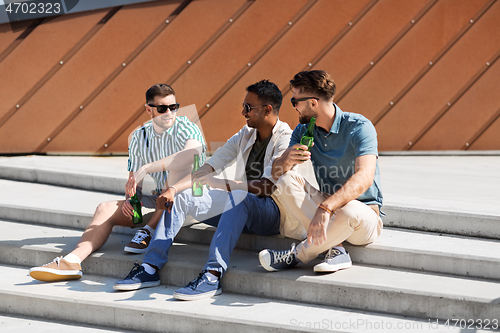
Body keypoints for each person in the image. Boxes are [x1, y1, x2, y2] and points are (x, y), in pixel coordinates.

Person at [113, 80, 299, 300]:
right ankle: (150, 267)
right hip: (237, 208)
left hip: (271, 213)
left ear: (268, 109)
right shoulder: (246, 134)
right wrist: (173, 189)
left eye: (248, 107)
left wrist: (219, 183)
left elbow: (266, 188)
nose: (243, 112)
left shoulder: (286, 139)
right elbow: (208, 168)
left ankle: (212, 275)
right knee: (184, 195)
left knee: (239, 195)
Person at [29, 84, 206, 282]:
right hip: (162, 204)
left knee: (177, 169)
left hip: (193, 199)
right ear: (149, 109)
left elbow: (191, 155)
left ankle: (149, 229)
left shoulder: (187, 127)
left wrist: (149, 168)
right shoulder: (140, 136)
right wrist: (132, 202)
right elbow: (134, 183)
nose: (169, 113)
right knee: (105, 208)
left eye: (173, 107)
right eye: (162, 108)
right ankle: (71, 262)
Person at [258, 70, 383, 274]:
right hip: (328, 205)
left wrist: (325, 208)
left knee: (348, 210)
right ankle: (336, 249)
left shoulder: (359, 127)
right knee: (286, 179)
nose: (295, 107)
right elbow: (276, 172)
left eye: (295, 100)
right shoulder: (304, 130)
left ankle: (296, 255)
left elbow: (365, 177)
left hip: (364, 213)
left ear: (313, 102)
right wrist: (285, 159)